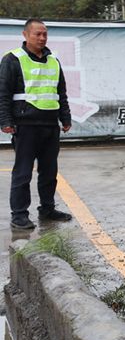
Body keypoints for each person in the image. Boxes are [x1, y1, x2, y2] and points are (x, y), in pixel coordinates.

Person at [0, 19, 72, 230]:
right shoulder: (12, 60)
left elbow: (61, 93)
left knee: (49, 171)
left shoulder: (53, 61)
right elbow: (3, 94)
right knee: (23, 172)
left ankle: (47, 209)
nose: (42, 38)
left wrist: (65, 118)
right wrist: (5, 121)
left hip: (50, 125)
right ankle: (19, 214)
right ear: (25, 35)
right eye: (37, 34)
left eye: (45, 34)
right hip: (25, 125)